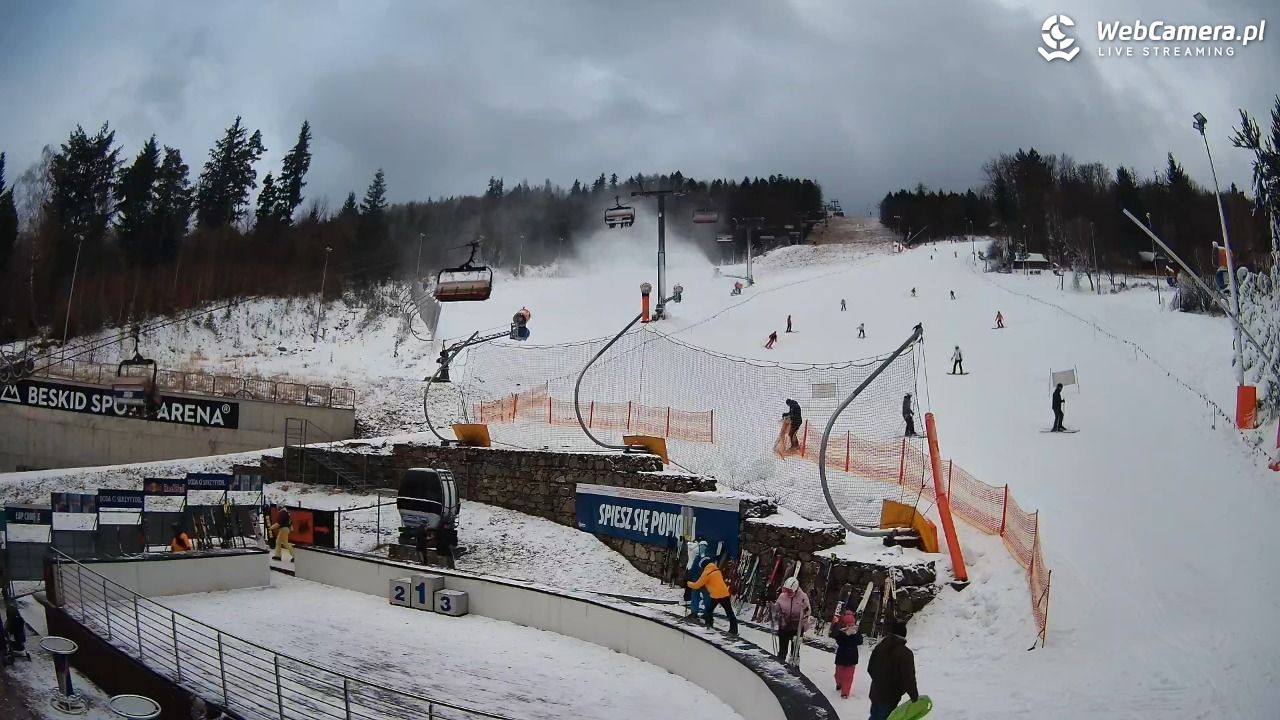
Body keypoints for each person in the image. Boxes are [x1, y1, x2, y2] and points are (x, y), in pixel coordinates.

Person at [867, 620, 918, 720]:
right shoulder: (905, 653)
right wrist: (914, 696)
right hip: (890, 696)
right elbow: (908, 677)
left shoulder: (879, 647)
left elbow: (870, 668)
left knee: (875, 716)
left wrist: (878, 681)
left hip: (875, 691)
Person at [688, 556, 737, 634]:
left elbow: (697, 585)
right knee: (729, 612)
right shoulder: (717, 570)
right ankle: (734, 630)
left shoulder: (707, 573)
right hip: (724, 594)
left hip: (716, 595)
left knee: (708, 610)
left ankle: (709, 624)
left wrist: (688, 583)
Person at [772, 576, 810, 662]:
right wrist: (773, 608)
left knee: (795, 652)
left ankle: (794, 667)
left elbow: (808, 612)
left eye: (790, 591)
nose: (787, 593)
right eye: (786, 590)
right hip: (784, 625)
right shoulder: (782, 596)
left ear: (795, 589)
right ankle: (779, 664)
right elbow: (777, 609)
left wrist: (805, 611)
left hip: (797, 627)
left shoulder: (803, 596)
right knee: (782, 651)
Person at [831, 610, 863, 699]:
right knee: (838, 674)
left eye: (852, 625)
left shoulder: (856, 633)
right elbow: (838, 641)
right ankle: (839, 683)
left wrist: (854, 635)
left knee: (848, 677)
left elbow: (860, 641)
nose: (850, 627)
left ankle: (845, 692)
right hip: (841, 657)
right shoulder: (841, 633)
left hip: (852, 659)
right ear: (845, 625)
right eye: (849, 625)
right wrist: (845, 634)